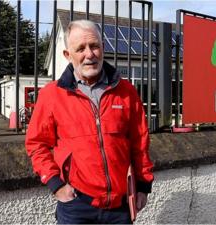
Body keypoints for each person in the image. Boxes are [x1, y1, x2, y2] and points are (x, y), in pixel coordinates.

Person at [25, 19, 154, 224]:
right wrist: (56, 185)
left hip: (119, 209)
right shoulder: (52, 95)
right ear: (68, 55)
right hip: (77, 206)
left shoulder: (126, 92)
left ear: (103, 47)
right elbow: (36, 144)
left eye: (94, 46)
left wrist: (143, 185)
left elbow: (139, 141)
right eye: (81, 48)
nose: (89, 54)